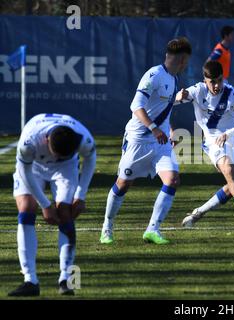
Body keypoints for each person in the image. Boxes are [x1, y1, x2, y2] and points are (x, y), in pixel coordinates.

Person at [99, 37, 192, 245]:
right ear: (183, 59)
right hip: (138, 140)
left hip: (160, 143)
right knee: (123, 184)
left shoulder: (174, 78)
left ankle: (152, 229)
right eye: (187, 61)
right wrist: (153, 128)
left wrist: (169, 128)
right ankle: (107, 227)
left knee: (173, 180)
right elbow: (136, 106)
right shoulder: (154, 75)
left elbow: (162, 108)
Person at [8, 113, 96, 297]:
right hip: (33, 167)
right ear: (46, 140)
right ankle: (30, 280)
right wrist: (45, 205)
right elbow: (24, 172)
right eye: (57, 155)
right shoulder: (29, 141)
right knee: (26, 209)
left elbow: (90, 159)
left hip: (65, 169)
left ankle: (66, 279)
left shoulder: (82, 137)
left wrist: (81, 196)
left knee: (66, 213)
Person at [176, 60, 234, 229]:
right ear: (204, 80)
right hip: (212, 140)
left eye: (219, 80)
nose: (216, 85)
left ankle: (199, 212)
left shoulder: (232, 93)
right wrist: (178, 97)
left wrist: (228, 133)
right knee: (228, 170)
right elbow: (171, 101)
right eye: (212, 82)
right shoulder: (197, 90)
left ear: (223, 77)